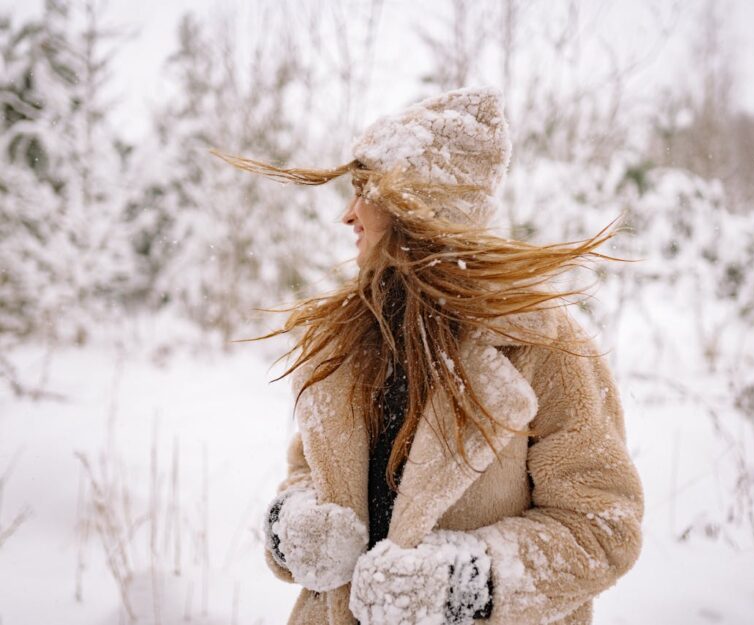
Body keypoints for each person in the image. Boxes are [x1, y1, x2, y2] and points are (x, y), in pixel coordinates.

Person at [211, 86, 644, 625]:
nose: (349, 215)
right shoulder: (349, 342)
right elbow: (305, 472)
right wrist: (293, 527)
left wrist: (461, 586)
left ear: (418, 205)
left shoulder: (542, 347)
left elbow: (602, 526)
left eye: (364, 190)